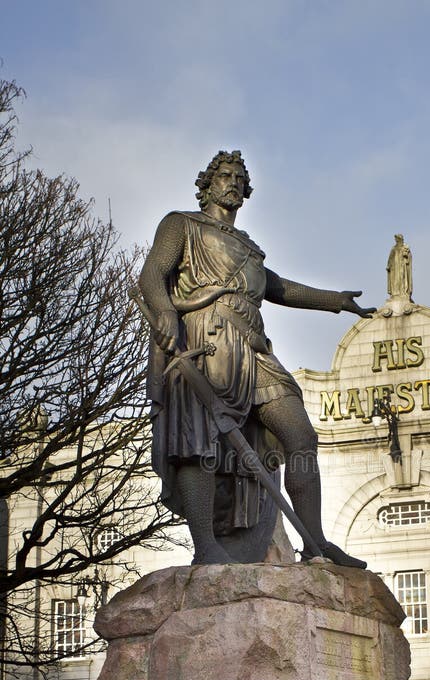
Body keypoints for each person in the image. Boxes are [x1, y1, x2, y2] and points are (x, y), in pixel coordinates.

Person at [139, 150, 374, 567]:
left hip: (252, 347)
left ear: (245, 191)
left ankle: (316, 542)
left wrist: (334, 301)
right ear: (208, 183)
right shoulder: (182, 225)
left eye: (238, 177)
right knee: (201, 443)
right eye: (224, 175)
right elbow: (153, 273)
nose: (231, 181)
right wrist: (163, 312)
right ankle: (206, 546)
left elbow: (279, 288)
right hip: (205, 339)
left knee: (300, 437)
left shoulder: (248, 248)